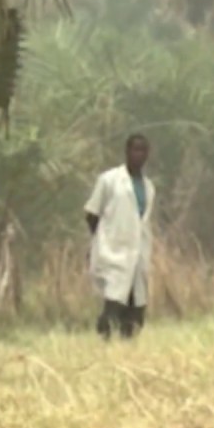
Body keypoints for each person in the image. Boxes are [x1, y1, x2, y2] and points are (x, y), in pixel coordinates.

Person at [84, 133, 155, 341]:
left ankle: (127, 348)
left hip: (138, 253)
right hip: (113, 250)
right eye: (135, 149)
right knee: (114, 302)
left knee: (136, 306)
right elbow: (92, 213)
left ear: (147, 154)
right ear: (126, 152)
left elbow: (142, 220)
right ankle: (103, 341)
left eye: (143, 150)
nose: (139, 155)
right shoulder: (109, 180)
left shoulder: (149, 187)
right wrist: (100, 241)